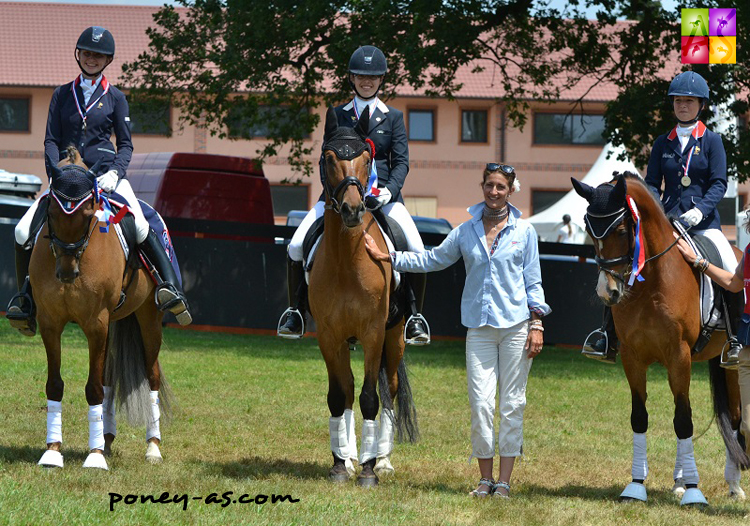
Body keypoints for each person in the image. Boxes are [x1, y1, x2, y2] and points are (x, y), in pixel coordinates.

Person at [365, 163, 551, 498]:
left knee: (511, 403)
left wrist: (536, 322)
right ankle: (484, 479)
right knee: (480, 404)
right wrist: (387, 256)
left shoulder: (525, 233)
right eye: (489, 185)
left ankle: (504, 481)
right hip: (478, 329)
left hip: (516, 328)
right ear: (482, 186)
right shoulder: (465, 231)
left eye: (501, 187)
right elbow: (432, 259)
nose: (494, 192)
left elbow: (533, 282)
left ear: (511, 191)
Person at [6, 26, 192, 335]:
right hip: (67, 180)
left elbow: (127, 145)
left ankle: (170, 289)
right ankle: (25, 298)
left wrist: (115, 173)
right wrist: (56, 172)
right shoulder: (62, 94)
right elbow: (51, 140)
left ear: (107, 60)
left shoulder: (116, 98)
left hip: (105, 175)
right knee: (23, 229)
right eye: (88, 53)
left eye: (99, 55)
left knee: (141, 224)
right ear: (79, 55)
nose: (92, 59)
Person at [582, 70, 741, 369]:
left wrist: (701, 209)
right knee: (625, 260)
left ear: (701, 105)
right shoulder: (662, 143)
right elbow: (652, 183)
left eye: (689, 101)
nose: (683, 106)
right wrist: (653, 209)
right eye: (678, 101)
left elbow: (719, 183)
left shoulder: (712, 141)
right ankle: (606, 335)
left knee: (729, 265)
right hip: (666, 220)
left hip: (704, 224)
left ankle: (733, 338)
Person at [277, 45, 430, 345]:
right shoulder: (337, 115)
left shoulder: (393, 117)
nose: (367, 81)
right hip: (337, 200)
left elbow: (401, 162)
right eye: (361, 76)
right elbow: (326, 161)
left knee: (417, 247)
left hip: (384, 198)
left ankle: (414, 316)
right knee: (296, 245)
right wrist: (332, 196)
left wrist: (388, 192)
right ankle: (295, 311)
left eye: (372, 77)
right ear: (351, 78)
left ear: (381, 79)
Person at [674, 228, 750, 449]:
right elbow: (734, 282)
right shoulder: (748, 252)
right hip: (746, 347)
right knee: (747, 427)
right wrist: (698, 261)